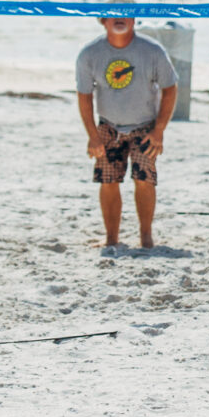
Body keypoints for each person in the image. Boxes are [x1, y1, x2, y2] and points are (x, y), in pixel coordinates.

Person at [75, 16, 178, 248]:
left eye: (125, 14)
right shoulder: (90, 53)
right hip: (109, 126)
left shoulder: (152, 51)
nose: (119, 18)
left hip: (145, 127)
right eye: (114, 14)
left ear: (133, 19)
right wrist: (92, 135)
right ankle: (111, 238)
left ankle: (146, 237)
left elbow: (170, 89)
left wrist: (159, 130)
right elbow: (83, 96)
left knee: (144, 180)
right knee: (108, 180)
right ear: (103, 20)